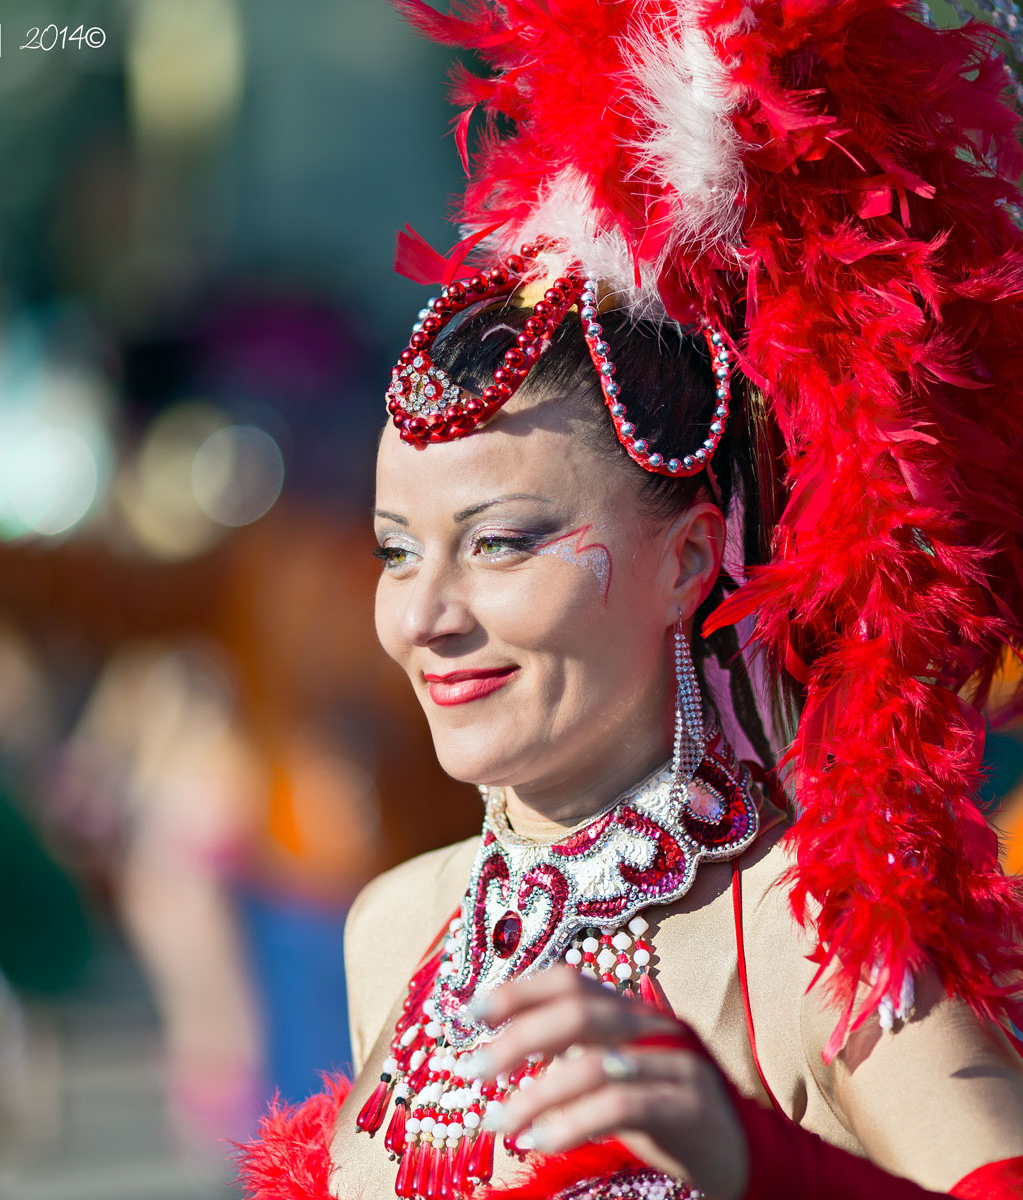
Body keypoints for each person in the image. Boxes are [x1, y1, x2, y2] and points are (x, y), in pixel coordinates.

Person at [240, 1, 1023, 1197]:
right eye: (397, 551)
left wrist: (746, 1156)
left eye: (500, 543)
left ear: (689, 559)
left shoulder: (814, 933)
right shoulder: (392, 929)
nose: (425, 617)